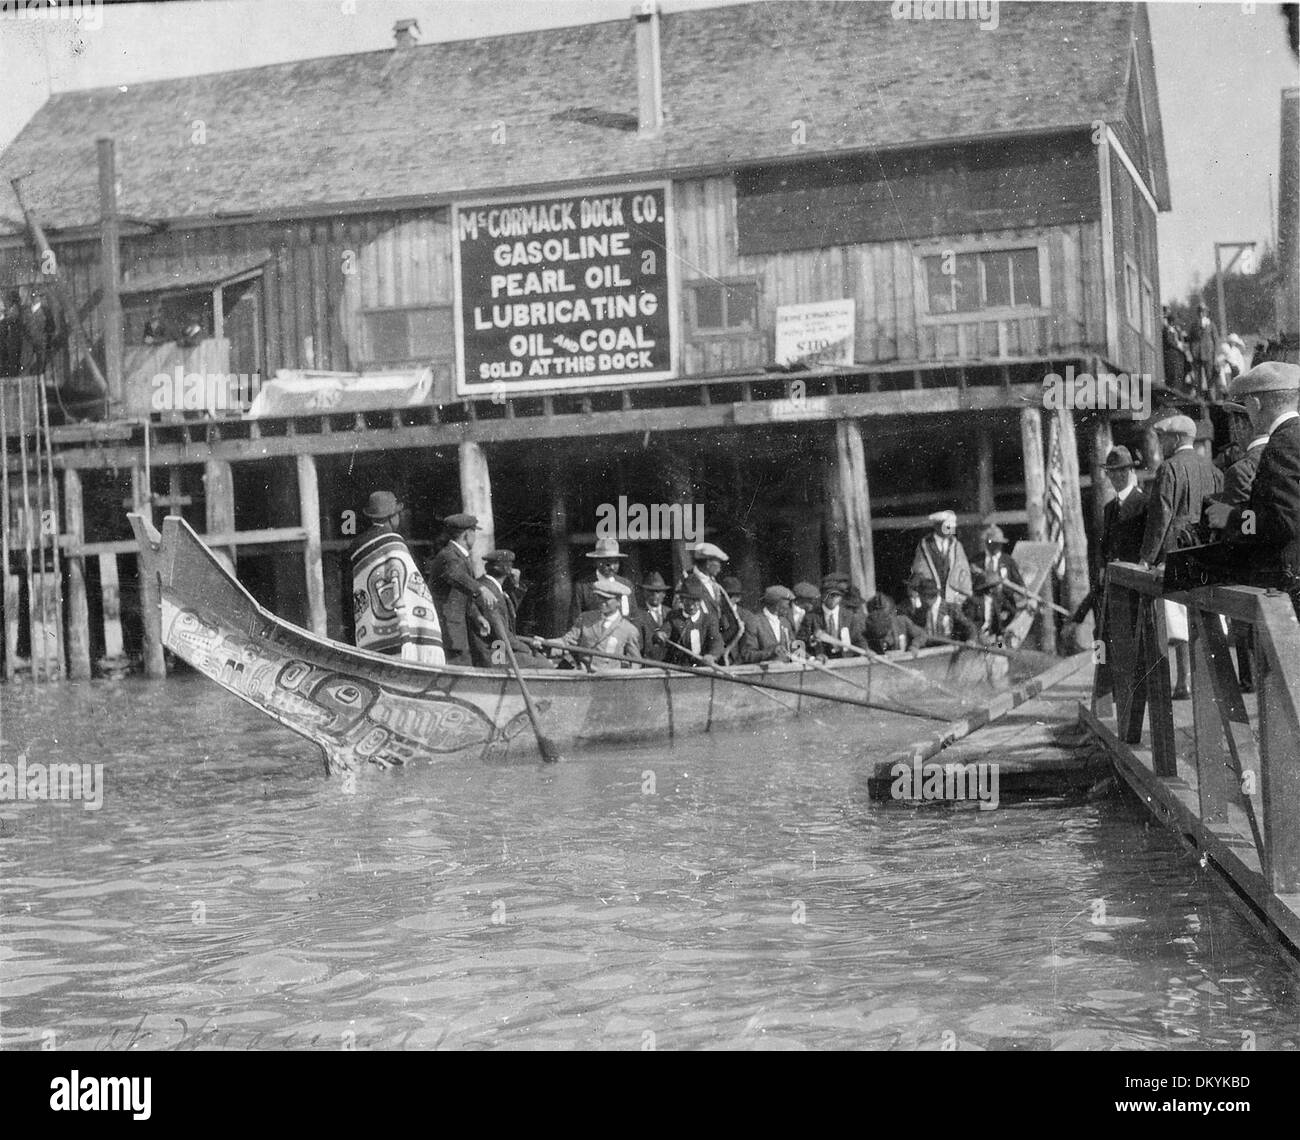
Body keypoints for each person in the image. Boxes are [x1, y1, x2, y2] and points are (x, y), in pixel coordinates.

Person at [1205, 362, 1300, 620]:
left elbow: (1284, 522)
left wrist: (1232, 517)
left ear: (1256, 404)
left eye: (1246, 405)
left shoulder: (1280, 445)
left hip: (1289, 588)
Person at [1138, 413, 1223, 699]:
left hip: (1176, 553)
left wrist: (1147, 557)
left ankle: (1183, 680)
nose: (1160, 443)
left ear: (1175, 439)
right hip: (1207, 552)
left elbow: (1160, 517)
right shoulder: (1212, 470)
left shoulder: (1169, 469)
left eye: (1163, 438)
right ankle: (1213, 683)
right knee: (1207, 615)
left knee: (1179, 618)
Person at [349, 491, 445, 664]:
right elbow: (408, 582)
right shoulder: (393, 540)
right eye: (398, 515)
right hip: (400, 636)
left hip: (372, 629)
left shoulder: (358, 544)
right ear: (392, 517)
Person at [1071, 445, 1148, 625]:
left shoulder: (1144, 504)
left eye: (1121, 471)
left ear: (1130, 470)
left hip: (1137, 587)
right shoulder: (1109, 508)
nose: (1116, 476)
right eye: (1111, 472)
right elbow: (1105, 551)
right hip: (1114, 588)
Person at [426, 512, 497, 666]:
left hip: (456, 630)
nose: (475, 537)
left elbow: (460, 595)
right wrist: (481, 589)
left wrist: (477, 616)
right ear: (466, 535)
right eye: (474, 532)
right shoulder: (449, 556)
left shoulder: (459, 556)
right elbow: (455, 575)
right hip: (449, 631)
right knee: (459, 671)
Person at [469, 549, 553, 669]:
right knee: (545, 665)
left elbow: (509, 613)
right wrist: (527, 649)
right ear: (507, 570)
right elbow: (501, 633)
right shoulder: (488, 591)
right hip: (494, 656)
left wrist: (516, 585)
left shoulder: (491, 587)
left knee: (540, 659)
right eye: (510, 565)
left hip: (498, 650)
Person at [558, 578, 641, 670]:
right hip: (583, 676)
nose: (602, 602)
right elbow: (568, 640)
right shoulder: (585, 618)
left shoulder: (628, 629)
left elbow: (636, 662)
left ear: (618, 601)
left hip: (609, 680)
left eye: (607, 599)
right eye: (599, 597)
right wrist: (546, 643)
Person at [680, 542, 743, 649]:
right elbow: (681, 619)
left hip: (714, 648)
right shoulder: (686, 582)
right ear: (708, 563)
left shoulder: (715, 585)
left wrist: (717, 646)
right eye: (718, 562)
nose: (720, 568)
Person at [969, 524, 1025, 637]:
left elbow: (1020, 584)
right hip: (981, 602)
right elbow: (969, 584)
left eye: (999, 543)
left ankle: (999, 640)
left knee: (1001, 628)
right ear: (986, 543)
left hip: (1004, 603)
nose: (996, 546)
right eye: (993, 543)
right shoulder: (976, 561)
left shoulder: (1008, 561)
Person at [909, 509, 972, 608]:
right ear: (937, 526)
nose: (951, 530)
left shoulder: (956, 546)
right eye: (947, 527)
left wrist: (963, 594)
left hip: (953, 598)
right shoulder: (925, 545)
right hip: (931, 597)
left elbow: (964, 570)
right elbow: (919, 571)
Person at [660, 577, 724, 666]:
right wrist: (660, 634)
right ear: (681, 600)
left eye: (695, 601)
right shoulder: (673, 616)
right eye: (687, 601)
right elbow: (664, 630)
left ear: (701, 601)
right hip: (679, 669)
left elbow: (717, 641)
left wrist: (712, 656)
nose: (691, 606)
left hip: (703, 668)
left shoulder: (709, 619)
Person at [570, 538, 636, 624]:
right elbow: (575, 620)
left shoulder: (626, 584)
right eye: (607, 563)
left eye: (615, 562)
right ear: (596, 562)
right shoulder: (583, 587)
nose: (612, 567)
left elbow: (634, 616)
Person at [853, 593, 929, 654]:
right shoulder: (865, 627)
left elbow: (922, 634)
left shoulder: (902, 622)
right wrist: (867, 650)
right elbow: (859, 639)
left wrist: (915, 645)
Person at [907, 576, 977, 642]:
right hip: (928, 650)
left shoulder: (951, 608)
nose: (919, 599)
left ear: (926, 597)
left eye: (920, 596)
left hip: (948, 649)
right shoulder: (920, 612)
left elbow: (969, 626)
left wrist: (971, 639)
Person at [739, 585, 796, 664]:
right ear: (777, 604)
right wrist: (771, 652)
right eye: (787, 604)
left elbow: (794, 647)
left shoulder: (785, 622)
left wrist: (811, 658)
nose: (789, 607)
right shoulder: (754, 622)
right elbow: (748, 654)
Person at [800, 574, 854, 658]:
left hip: (845, 659)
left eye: (835, 595)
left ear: (841, 597)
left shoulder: (849, 615)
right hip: (822, 660)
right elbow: (800, 642)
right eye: (828, 595)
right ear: (822, 596)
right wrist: (811, 642)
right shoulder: (811, 617)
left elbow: (858, 638)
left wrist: (866, 649)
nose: (832, 598)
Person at [634, 571, 672, 663]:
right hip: (647, 665)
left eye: (658, 591)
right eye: (651, 591)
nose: (655, 595)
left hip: (669, 665)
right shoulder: (638, 614)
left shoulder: (671, 613)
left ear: (664, 594)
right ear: (644, 592)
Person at [1186, 303, 1219, 397]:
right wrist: (1192, 352)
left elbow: (1216, 341)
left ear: (1206, 313)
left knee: (1210, 377)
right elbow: (1190, 339)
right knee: (1197, 378)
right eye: (1200, 311)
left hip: (1209, 354)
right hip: (1196, 354)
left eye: (1203, 312)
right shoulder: (1194, 325)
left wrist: (1215, 356)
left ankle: (1212, 398)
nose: (1201, 314)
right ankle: (1199, 397)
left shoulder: (1211, 325)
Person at [719, 574, 750, 664]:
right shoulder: (716, 614)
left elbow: (748, 646)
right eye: (723, 595)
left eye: (730, 596)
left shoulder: (746, 616)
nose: (725, 599)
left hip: (739, 663)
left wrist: (736, 664)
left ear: (738, 598)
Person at [1162, 307, 1189, 392]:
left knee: (1179, 374)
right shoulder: (1167, 330)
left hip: (1178, 356)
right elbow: (1170, 341)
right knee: (1173, 374)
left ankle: (1178, 391)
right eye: (1173, 321)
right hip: (1172, 355)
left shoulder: (1176, 330)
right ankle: (1174, 391)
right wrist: (1179, 346)